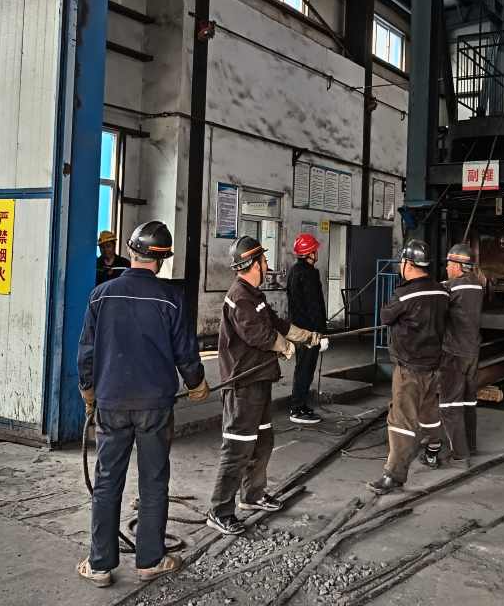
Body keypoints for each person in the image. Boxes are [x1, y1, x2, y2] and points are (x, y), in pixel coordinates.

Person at [76, 221, 210, 587]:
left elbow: (86, 351)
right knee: (153, 480)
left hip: (111, 402)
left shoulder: (100, 295)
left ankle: (100, 565)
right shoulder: (171, 299)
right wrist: (196, 384)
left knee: (107, 481)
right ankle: (150, 560)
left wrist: (88, 390)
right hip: (155, 405)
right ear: (162, 259)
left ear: (131, 252)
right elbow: (186, 351)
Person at [207, 235, 326, 535]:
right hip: (243, 383)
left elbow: (277, 323)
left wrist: (307, 336)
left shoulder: (255, 295)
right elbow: (258, 335)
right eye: (263, 260)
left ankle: (252, 495)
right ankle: (219, 511)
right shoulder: (240, 297)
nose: (267, 264)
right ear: (252, 264)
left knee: (262, 441)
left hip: (259, 380)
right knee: (237, 448)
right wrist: (285, 347)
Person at [367, 239, 450, 495]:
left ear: (408, 264)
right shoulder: (442, 292)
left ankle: (394, 476)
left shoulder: (405, 294)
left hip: (409, 369)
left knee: (401, 420)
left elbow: (385, 316)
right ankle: (433, 449)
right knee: (429, 413)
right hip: (434, 366)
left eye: (402, 262)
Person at [433, 243, 485, 468]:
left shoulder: (451, 287)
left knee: (449, 405)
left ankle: (460, 455)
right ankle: (470, 445)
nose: (446, 268)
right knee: (468, 401)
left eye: (448, 264)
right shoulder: (478, 284)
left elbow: (431, 301)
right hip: (472, 351)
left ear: (457, 266)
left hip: (454, 353)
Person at [285, 233, 328, 425]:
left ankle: (300, 405)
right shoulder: (309, 274)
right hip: (310, 332)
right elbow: (314, 305)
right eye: (315, 250)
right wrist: (320, 332)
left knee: (302, 368)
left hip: (298, 329)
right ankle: (297, 409)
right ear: (309, 253)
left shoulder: (294, 271)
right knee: (305, 369)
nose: (317, 253)